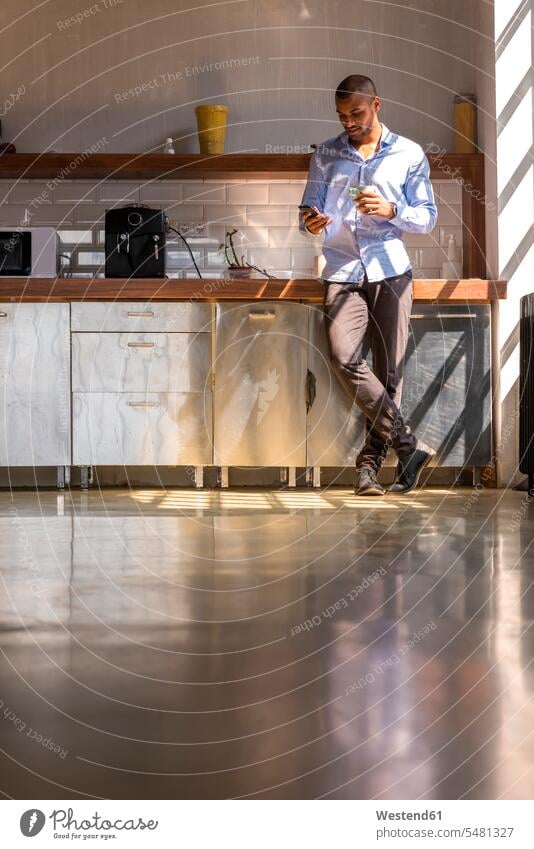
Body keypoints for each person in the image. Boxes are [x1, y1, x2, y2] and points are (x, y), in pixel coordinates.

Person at [299, 74, 438, 496]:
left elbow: (427, 216)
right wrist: (310, 222)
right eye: (342, 116)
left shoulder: (409, 154)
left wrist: (391, 209)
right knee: (343, 356)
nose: (349, 123)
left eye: (356, 113)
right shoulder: (326, 155)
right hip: (342, 270)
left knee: (389, 373)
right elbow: (308, 208)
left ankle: (368, 469)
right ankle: (407, 444)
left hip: (390, 270)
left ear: (376, 104)